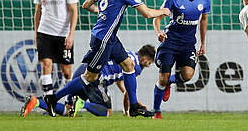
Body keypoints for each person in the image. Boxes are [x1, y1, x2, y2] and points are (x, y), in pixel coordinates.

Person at [43, 0, 170, 118]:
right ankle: (53, 98)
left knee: (129, 64)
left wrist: (101, 12)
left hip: (110, 38)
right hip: (103, 39)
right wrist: (163, 11)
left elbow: (86, 5)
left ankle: (135, 106)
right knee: (89, 77)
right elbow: (148, 14)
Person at [20, 45, 156, 117]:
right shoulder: (137, 67)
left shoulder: (127, 53)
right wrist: (127, 111)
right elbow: (128, 94)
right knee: (106, 112)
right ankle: (82, 104)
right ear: (145, 58)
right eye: (149, 62)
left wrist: (135, 101)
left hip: (83, 69)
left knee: (68, 110)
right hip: (97, 78)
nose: (149, 65)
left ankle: (36, 102)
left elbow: (123, 83)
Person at [152, 0, 210, 119]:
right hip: (170, 41)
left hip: (188, 44)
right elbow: (157, 17)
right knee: (162, 78)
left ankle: (171, 81)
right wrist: (159, 32)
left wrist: (203, 43)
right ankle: (156, 111)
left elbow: (203, 20)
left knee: (188, 75)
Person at [33, 0, 78, 117]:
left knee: (66, 71)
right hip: (45, 32)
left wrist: (71, 34)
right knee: (46, 64)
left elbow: (74, 11)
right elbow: (38, 12)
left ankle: (69, 102)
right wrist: (36, 34)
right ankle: (50, 102)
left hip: (63, 34)